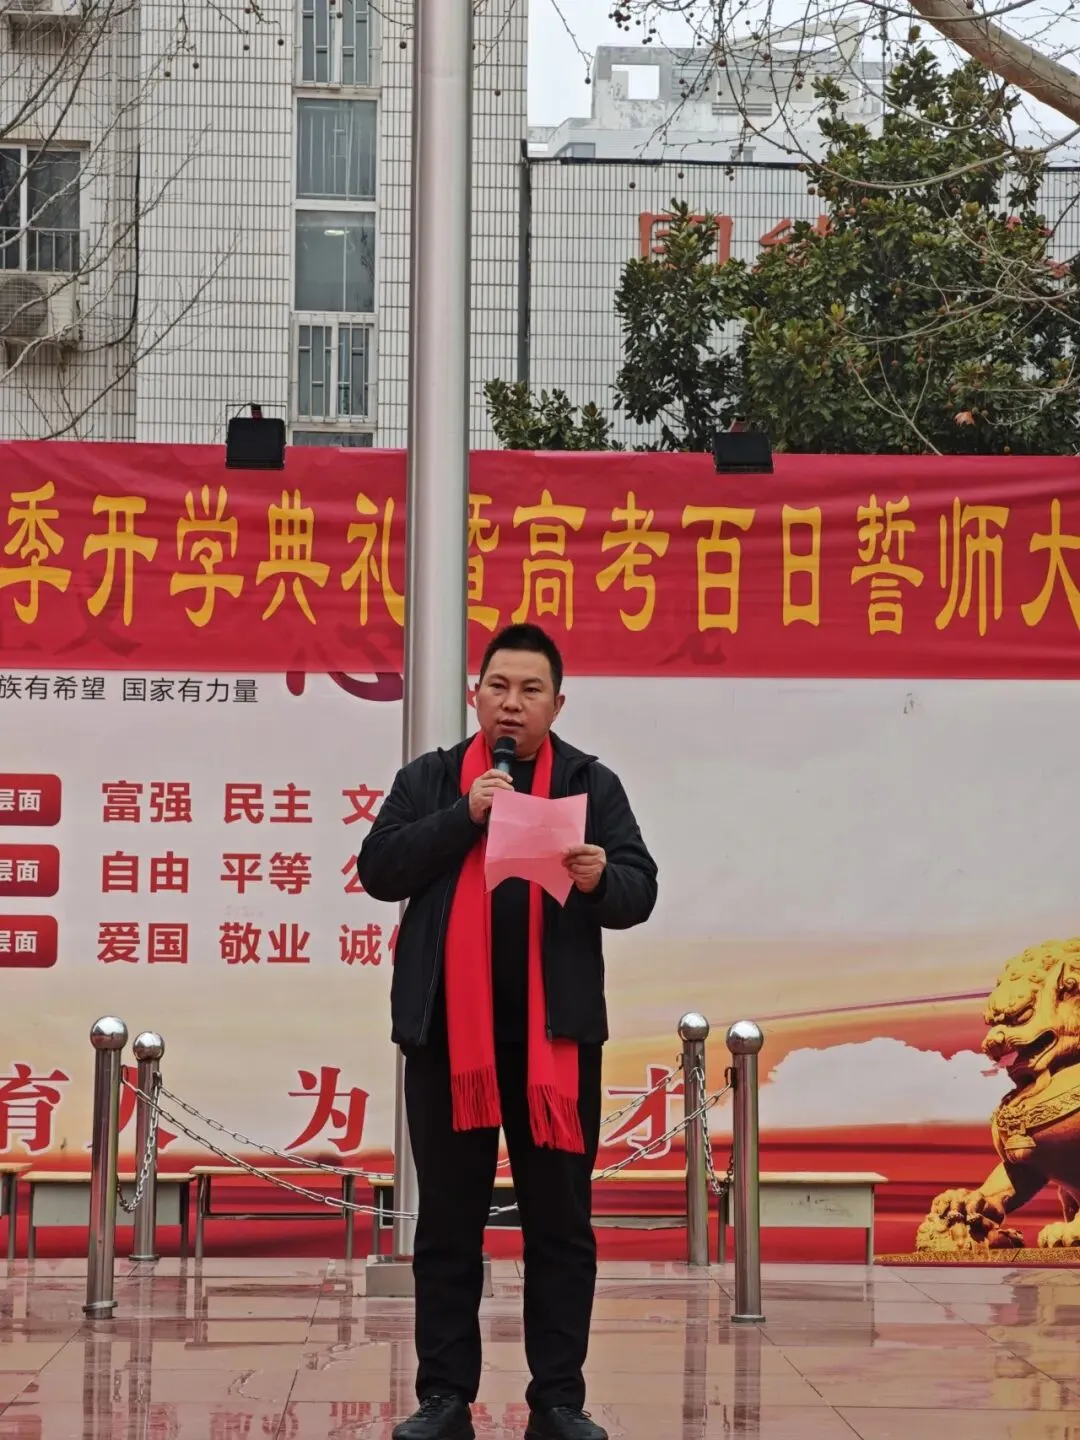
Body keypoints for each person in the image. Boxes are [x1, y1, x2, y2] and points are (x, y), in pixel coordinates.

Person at [358, 622, 658, 1440]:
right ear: (476, 695)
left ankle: (557, 1400)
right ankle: (444, 1397)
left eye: (530, 691)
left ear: (557, 704)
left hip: (552, 1045)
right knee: (448, 1225)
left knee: (559, 1226)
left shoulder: (590, 783)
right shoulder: (431, 780)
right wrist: (465, 814)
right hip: (448, 1041)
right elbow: (379, 868)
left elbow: (640, 889)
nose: (512, 704)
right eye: (499, 687)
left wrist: (601, 878)